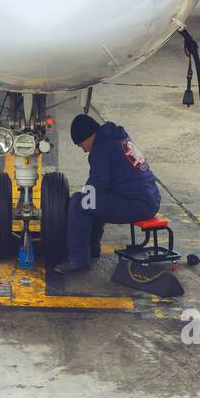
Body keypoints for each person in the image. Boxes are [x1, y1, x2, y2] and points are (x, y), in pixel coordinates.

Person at [53, 114, 160, 276]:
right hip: (150, 198)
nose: (83, 149)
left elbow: (97, 184)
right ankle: (92, 248)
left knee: (80, 202)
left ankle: (78, 258)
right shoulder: (117, 138)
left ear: (87, 136)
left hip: (136, 204)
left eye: (81, 144)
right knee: (95, 200)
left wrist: (80, 198)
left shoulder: (101, 149)